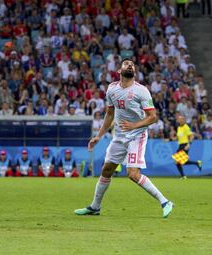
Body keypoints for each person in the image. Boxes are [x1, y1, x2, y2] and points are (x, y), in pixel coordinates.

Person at [75, 59, 174, 218]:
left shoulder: (141, 91)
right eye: (126, 64)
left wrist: (134, 126)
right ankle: (95, 207)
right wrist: (98, 136)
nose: (130, 66)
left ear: (134, 72)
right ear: (119, 71)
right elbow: (109, 114)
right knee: (107, 169)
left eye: (132, 65)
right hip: (119, 135)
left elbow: (153, 117)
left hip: (137, 135)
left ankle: (165, 201)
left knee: (132, 174)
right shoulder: (112, 89)